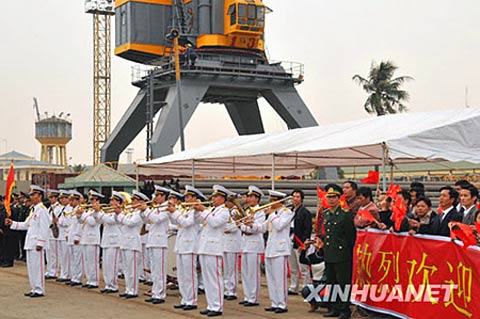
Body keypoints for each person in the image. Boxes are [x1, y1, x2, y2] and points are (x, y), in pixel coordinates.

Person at [5, 186, 50, 297]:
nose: (31, 197)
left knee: (37, 267)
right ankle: (34, 287)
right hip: (30, 242)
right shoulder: (33, 210)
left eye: (34, 195)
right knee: (31, 267)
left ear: (39, 196)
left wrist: (40, 242)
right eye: (31, 195)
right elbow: (26, 225)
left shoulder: (42, 210)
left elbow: (45, 228)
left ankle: (39, 289)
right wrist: (13, 223)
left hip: (36, 243)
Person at [195, 185, 230, 317]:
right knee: (208, 279)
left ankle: (217, 306)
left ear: (222, 198)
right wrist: (197, 211)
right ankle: (211, 304)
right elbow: (200, 222)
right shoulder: (212, 209)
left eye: (216, 197)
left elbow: (215, 223)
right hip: (205, 247)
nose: (213, 199)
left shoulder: (224, 211)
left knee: (215, 278)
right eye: (213, 196)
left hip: (214, 248)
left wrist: (203, 210)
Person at [322, 184, 356, 319]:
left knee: (343, 283)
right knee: (331, 282)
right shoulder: (326, 214)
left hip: (342, 255)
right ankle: (334, 307)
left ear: (339, 198)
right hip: (330, 253)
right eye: (329, 197)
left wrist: (346, 252)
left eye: (334, 197)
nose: (331, 200)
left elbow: (350, 236)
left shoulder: (345, 215)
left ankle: (344, 309)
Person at [169, 185, 205, 311]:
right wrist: (172, 212)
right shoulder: (186, 210)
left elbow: (186, 223)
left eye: (188, 196)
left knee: (190, 275)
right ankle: (185, 299)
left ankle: (192, 301)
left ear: (195, 198)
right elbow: (177, 224)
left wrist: (174, 212)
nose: (186, 198)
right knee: (182, 275)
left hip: (190, 245)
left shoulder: (195, 211)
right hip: (181, 245)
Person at [261, 190, 294, 314]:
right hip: (270, 248)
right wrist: (250, 225)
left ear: (278, 201)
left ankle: (282, 304)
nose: (270, 203)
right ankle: (274, 302)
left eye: (272, 200)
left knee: (280, 278)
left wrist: (271, 215)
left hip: (280, 249)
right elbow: (263, 227)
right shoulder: (272, 214)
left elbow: (279, 226)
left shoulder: (287, 212)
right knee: (271, 278)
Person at [237, 186, 266, 307]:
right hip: (245, 243)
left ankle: (253, 298)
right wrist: (244, 226)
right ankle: (247, 296)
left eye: (251, 197)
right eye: (248, 196)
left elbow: (258, 228)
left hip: (254, 244)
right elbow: (242, 227)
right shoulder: (248, 211)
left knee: (253, 273)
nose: (248, 199)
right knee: (245, 272)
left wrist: (245, 226)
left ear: (257, 198)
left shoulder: (260, 211)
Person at [116, 190, 149, 299]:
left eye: (135, 200)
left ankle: (133, 290)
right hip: (125, 242)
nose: (132, 202)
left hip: (133, 243)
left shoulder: (139, 214)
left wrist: (120, 214)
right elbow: (122, 224)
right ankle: (128, 289)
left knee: (133, 269)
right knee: (126, 269)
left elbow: (130, 223)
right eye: (133, 199)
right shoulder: (129, 212)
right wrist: (120, 214)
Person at [143, 186, 171, 304]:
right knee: (154, 270)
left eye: (158, 195)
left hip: (160, 242)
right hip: (152, 241)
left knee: (160, 270)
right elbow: (147, 223)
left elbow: (157, 219)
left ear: (163, 196)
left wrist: (146, 210)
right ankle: (155, 292)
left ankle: (160, 294)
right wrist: (142, 212)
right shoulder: (155, 208)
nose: (155, 198)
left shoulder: (167, 207)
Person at [97, 192, 123, 294]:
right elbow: (97, 218)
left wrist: (99, 211)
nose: (111, 202)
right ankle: (108, 284)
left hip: (114, 241)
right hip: (106, 241)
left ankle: (113, 285)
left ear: (119, 202)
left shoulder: (119, 213)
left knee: (113, 265)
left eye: (114, 200)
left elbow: (110, 220)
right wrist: (96, 212)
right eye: (111, 200)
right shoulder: (108, 212)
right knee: (106, 265)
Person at [288, 189, 312, 295]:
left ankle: (306, 288)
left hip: (300, 242)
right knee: (293, 267)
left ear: (301, 199)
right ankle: (294, 286)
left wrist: (304, 243)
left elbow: (307, 229)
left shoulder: (305, 212)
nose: (295, 199)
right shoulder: (289, 211)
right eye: (293, 196)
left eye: (297, 197)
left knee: (303, 267)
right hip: (290, 241)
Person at [79, 190, 104, 289]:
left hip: (93, 238)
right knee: (87, 261)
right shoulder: (89, 210)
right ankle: (89, 280)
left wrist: (83, 215)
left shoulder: (99, 211)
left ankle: (94, 281)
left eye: (93, 199)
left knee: (93, 261)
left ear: (98, 201)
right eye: (91, 199)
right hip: (85, 237)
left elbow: (92, 222)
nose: (91, 201)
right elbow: (81, 221)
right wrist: (78, 215)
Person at [223, 192, 243, 301]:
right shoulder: (227, 211)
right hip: (226, 242)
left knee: (232, 268)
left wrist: (223, 228)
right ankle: (227, 289)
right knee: (226, 268)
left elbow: (235, 227)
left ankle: (232, 291)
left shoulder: (235, 211)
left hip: (233, 241)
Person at [300, 236, 327, 313]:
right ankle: (314, 304)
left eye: (318, 240)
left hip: (325, 284)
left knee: (323, 300)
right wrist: (305, 248)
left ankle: (329, 306)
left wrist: (321, 248)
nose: (315, 241)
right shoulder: (313, 256)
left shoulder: (327, 255)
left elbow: (323, 254)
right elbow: (302, 260)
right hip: (315, 284)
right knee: (305, 291)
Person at [65, 190, 83, 287]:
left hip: (76, 238)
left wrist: (77, 236)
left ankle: (78, 278)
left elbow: (80, 225)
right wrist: (68, 234)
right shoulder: (72, 211)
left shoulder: (80, 210)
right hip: (71, 236)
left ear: (77, 201)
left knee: (77, 259)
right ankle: (73, 277)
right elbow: (70, 225)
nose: (70, 202)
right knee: (72, 258)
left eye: (72, 200)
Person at [45, 190, 62, 279]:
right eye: (50, 197)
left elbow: (55, 220)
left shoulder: (59, 208)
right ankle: (49, 270)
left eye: (52, 197)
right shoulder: (49, 208)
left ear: (56, 198)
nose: (50, 199)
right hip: (49, 233)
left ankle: (54, 271)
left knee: (54, 254)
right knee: (48, 253)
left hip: (54, 233)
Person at [56, 190, 71, 282]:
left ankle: (67, 274)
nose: (62, 200)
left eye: (63, 198)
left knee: (66, 256)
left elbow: (67, 222)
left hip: (66, 234)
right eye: (61, 199)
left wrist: (58, 221)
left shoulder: (69, 209)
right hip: (60, 234)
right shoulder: (64, 209)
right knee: (61, 256)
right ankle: (63, 273)